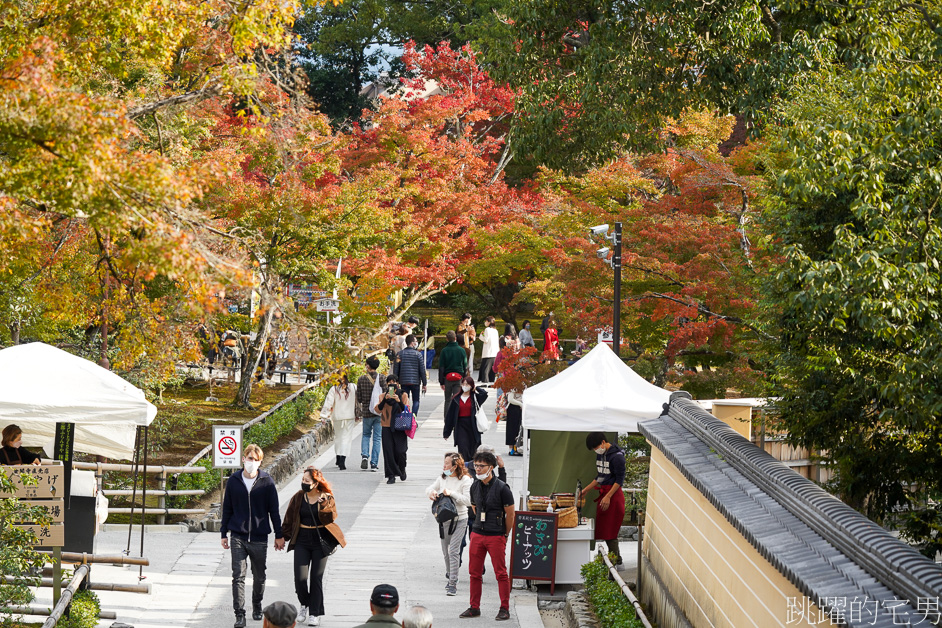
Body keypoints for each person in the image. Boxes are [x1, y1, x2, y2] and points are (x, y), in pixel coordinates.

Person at [221, 444, 285, 628]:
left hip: (259, 537)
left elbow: (274, 511)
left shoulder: (267, 482)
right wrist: (223, 533)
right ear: (243, 459)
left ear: (260, 462)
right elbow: (227, 508)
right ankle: (239, 614)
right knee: (238, 576)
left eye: (256, 460)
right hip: (238, 536)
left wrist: (279, 535)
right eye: (250, 458)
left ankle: (257, 604)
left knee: (259, 576)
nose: (252, 462)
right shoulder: (234, 480)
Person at [282, 466, 347, 626]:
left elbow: (331, 518)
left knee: (316, 579)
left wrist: (324, 505)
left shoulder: (326, 497)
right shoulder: (298, 497)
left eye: (307, 481)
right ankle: (304, 604)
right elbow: (289, 518)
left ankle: (315, 613)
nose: (304, 483)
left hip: (320, 541)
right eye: (302, 480)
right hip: (302, 540)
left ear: (316, 483)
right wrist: (282, 537)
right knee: (300, 578)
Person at [460, 451, 515, 621]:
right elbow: (475, 508)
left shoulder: (502, 488)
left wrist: (505, 534)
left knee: (501, 573)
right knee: (474, 573)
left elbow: (510, 515)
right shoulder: (475, 486)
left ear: (491, 468)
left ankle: (504, 608)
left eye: (481, 466)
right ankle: (474, 606)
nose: (477, 469)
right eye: (476, 465)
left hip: (495, 535)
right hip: (477, 532)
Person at [426, 452, 473, 596]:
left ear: (455, 466)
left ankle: (453, 582)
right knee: (446, 551)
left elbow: (468, 501)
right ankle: (450, 573)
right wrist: (432, 493)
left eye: (447, 463)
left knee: (454, 550)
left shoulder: (466, 480)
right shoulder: (442, 477)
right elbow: (429, 488)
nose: (444, 466)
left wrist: (451, 493)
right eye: (444, 462)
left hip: (460, 519)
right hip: (444, 519)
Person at [580, 432, 627, 566]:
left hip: (614, 495)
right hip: (604, 494)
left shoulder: (617, 457)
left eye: (596, 447)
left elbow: (619, 480)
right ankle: (615, 559)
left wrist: (608, 496)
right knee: (605, 530)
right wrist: (586, 490)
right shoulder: (601, 454)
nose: (596, 450)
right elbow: (600, 476)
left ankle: (616, 561)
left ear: (602, 442)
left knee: (611, 530)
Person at [443, 376, 489, 463]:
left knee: (474, 449)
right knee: (463, 448)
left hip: (472, 425)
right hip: (460, 425)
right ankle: (465, 468)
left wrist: (476, 388)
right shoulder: (456, 399)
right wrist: (446, 432)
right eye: (463, 384)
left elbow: (484, 394)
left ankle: (473, 468)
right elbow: (450, 416)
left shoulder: (475, 397)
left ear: (471, 386)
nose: (465, 386)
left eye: (467, 384)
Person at [320, 373, 358, 471]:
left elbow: (328, 403)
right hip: (349, 416)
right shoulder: (353, 387)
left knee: (339, 437)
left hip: (338, 417)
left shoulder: (334, 389)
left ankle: (338, 457)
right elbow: (358, 402)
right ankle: (342, 460)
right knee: (346, 438)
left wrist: (324, 416)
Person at [376, 374, 410, 484]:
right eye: (389, 382)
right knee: (388, 451)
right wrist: (384, 400)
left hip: (400, 425)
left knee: (401, 451)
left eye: (394, 382)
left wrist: (398, 401)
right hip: (386, 425)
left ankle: (402, 469)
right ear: (386, 384)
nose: (392, 384)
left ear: (398, 384)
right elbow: (378, 409)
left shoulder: (403, 394)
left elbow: (406, 409)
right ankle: (391, 475)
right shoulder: (382, 396)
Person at [356, 356, 384, 472]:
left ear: (368, 365)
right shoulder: (382, 378)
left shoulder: (361, 379)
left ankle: (364, 456)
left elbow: (359, 398)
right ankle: (374, 463)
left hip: (367, 412)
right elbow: (389, 391)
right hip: (379, 412)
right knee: (377, 438)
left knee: (366, 435)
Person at [394, 334, 427, 417]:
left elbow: (396, 369)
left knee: (405, 399)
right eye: (416, 341)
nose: (417, 343)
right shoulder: (418, 355)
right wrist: (424, 383)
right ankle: (414, 417)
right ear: (412, 343)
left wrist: (396, 381)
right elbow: (422, 370)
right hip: (415, 381)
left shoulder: (399, 354)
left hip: (404, 381)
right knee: (416, 400)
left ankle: (406, 417)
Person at [438, 331, 467, 417]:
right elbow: (465, 366)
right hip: (458, 377)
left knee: (447, 400)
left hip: (447, 378)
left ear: (447, 339)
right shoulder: (462, 350)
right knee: (457, 399)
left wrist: (441, 381)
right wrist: (464, 379)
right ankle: (456, 418)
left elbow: (441, 367)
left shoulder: (444, 351)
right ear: (455, 338)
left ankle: (447, 420)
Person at [477, 316, 499, 384]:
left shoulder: (487, 330)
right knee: (492, 369)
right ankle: (491, 381)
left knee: (485, 369)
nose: (485, 322)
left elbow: (486, 340)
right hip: (494, 352)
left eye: (486, 321)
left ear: (489, 322)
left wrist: (481, 336)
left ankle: (485, 382)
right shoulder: (495, 330)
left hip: (488, 352)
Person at [505, 392, 523, 456]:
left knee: (517, 429)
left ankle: (515, 448)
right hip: (513, 408)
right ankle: (511, 449)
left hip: (518, 408)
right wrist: (521, 404)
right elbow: (510, 399)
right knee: (512, 429)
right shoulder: (513, 385)